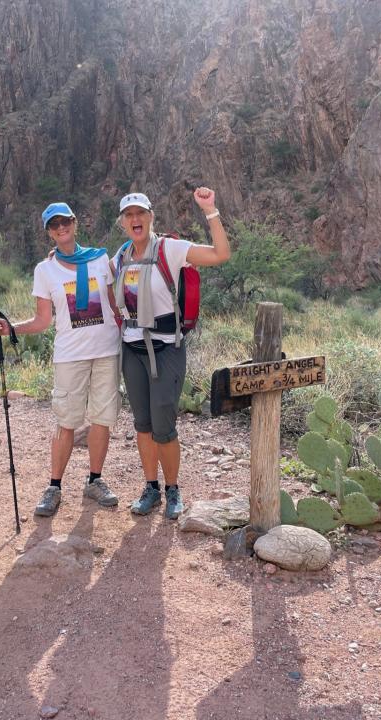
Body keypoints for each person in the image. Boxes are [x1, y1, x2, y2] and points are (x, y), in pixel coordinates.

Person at [0, 202, 122, 517]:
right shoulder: (45, 270)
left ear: (75, 223)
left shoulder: (100, 259)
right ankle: (54, 486)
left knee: (102, 420)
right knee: (66, 422)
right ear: (49, 232)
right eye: (54, 225)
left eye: (65, 222)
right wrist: (11, 329)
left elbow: (116, 305)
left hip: (106, 351)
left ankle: (95, 480)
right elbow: (42, 320)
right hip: (70, 356)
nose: (60, 228)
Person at [112, 187, 230, 519]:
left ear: (151, 217)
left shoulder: (170, 248)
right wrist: (58, 256)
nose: (135, 220)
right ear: (123, 222)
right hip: (132, 350)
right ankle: (151, 488)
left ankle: (172, 488)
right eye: (129, 215)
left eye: (141, 214)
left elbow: (221, 254)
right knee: (143, 424)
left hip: (166, 348)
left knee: (164, 423)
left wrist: (210, 210)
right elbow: (102, 285)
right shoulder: (120, 257)